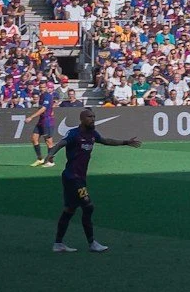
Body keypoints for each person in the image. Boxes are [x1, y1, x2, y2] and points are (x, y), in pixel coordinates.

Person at [51, 108, 140, 252]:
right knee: (88, 206)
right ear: (82, 119)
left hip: (78, 177)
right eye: (89, 117)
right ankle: (92, 243)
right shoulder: (74, 133)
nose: (92, 119)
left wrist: (125, 142)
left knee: (70, 209)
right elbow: (61, 143)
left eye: (94, 116)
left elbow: (105, 141)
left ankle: (58, 243)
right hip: (72, 177)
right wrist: (51, 154)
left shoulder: (92, 133)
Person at [28, 87, 60, 167]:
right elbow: (49, 106)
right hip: (41, 121)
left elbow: (43, 108)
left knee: (49, 142)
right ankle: (40, 159)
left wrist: (31, 117)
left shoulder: (47, 96)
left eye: (43, 87)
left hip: (47, 122)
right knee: (34, 138)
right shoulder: (42, 96)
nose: (42, 89)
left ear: (46, 88)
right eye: (40, 87)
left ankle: (50, 161)